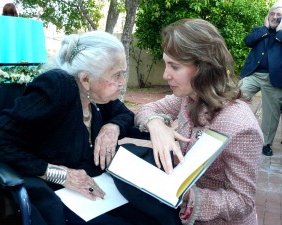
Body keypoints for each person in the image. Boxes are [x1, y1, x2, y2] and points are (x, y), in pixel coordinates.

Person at [0, 31, 158, 225]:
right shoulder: (57, 87)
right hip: (59, 194)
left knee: (153, 212)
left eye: (123, 74)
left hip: (97, 189)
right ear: (85, 79)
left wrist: (112, 126)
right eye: (117, 75)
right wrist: (61, 174)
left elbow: (125, 115)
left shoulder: (97, 94)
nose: (123, 83)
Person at [113, 19, 263, 225]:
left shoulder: (241, 126)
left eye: (174, 66)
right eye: (165, 64)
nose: (166, 75)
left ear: (203, 68)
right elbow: (147, 109)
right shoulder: (188, 97)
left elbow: (243, 201)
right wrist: (156, 125)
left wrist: (186, 195)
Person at [239, 1, 282, 156]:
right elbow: (248, 41)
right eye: (273, 14)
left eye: (279, 15)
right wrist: (265, 29)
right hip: (254, 74)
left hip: (274, 79)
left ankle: (265, 143)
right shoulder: (260, 30)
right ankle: (235, 129)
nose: (275, 17)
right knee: (236, 96)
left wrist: (280, 32)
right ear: (268, 15)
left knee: (271, 114)